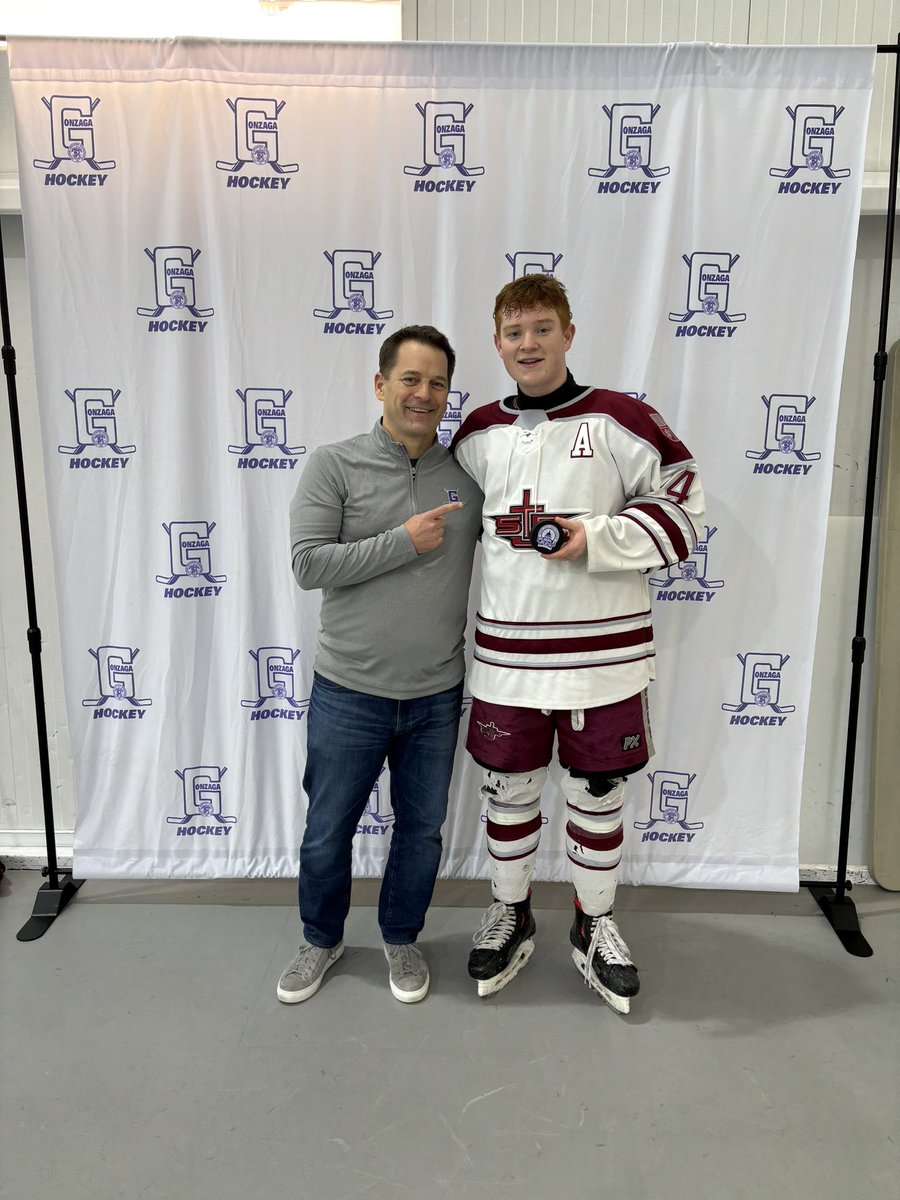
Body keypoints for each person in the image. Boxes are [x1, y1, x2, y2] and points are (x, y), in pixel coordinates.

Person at [451, 276, 706, 1013]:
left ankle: (594, 924)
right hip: (507, 662)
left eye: (541, 328)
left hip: (604, 661)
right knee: (508, 791)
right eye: (513, 332)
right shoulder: (475, 433)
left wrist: (595, 537)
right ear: (496, 342)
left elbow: (685, 498)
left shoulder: (621, 417)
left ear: (568, 333)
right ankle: (512, 909)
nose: (527, 343)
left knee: (600, 795)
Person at [277, 325, 482, 1006]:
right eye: (411, 380)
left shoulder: (467, 477)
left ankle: (400, 937)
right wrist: (401, 543)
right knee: (328, 827)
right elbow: (308, 565)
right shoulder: (333, 465)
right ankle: (320, 939)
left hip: (435, 696)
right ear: (381, 384)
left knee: (420, 831)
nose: (424, 395)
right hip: (349, 692)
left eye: (438, 383)